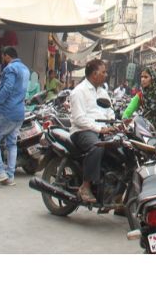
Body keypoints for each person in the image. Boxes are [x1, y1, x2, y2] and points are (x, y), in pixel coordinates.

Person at [69, 59, 115, 204]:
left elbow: (110, 111)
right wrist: (100, 129)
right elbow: (79, 119)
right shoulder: (79, 91)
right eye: (103, 72)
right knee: (97, 147)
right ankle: (86, 185)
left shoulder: (102, 92)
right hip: (83, 131)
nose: (106, 75)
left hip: (102, 129)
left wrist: (113, 123)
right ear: (94, 74)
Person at [0, 47, 30, 187]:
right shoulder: (25, 69)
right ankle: (10, 176)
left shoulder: (10, 68)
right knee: (12, 143)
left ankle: (0, 171)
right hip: (19, 111)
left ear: (7, 56)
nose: (3, 59)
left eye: (3, 56)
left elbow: (7, 89)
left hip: (7, 110)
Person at [124, 67, 156, 140]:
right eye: (141, 77)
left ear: (153, 78)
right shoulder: (142, 94)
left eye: (146, 77)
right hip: (147, 130)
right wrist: (125, 118)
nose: (143, 79)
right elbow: (130, 108)